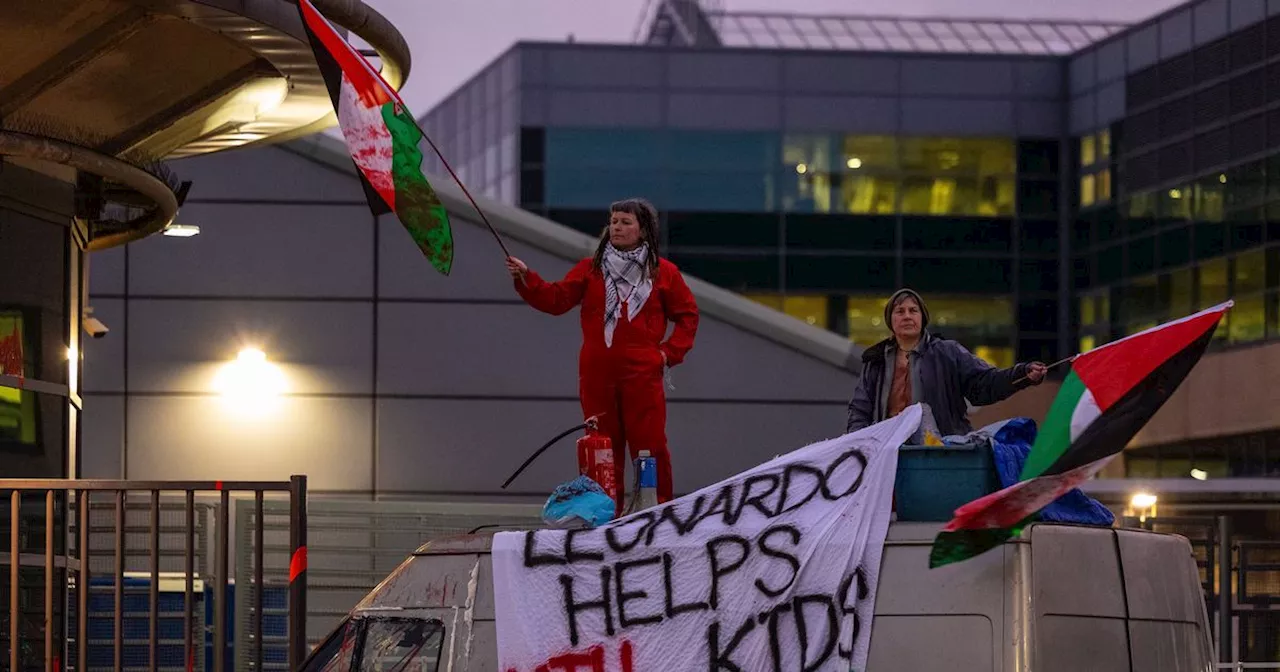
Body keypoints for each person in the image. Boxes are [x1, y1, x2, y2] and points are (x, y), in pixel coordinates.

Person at [505, 198, 698, 510]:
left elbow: (688, 316)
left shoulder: (664, 274)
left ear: (643, 229)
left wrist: (667, 355)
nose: (617, 227)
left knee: (650, 447)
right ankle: (604, 516)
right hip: (597, 376)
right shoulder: (590, 270)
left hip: (643, 374)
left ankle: (657, 512)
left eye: (625, 222)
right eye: (613, 221)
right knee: (601, 450)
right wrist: (526, 277)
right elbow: (556, 300)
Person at [846, 288, 1047, 437]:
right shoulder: (876, 361)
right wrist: (859, 444)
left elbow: (985, 384)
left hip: (941, 453)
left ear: (922, 319)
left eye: (913, 310)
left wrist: (1022, 374)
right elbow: (860, 409)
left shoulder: (947, 352)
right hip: (888, 455)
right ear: (891, 321)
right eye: (900, 311)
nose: (907, 316)